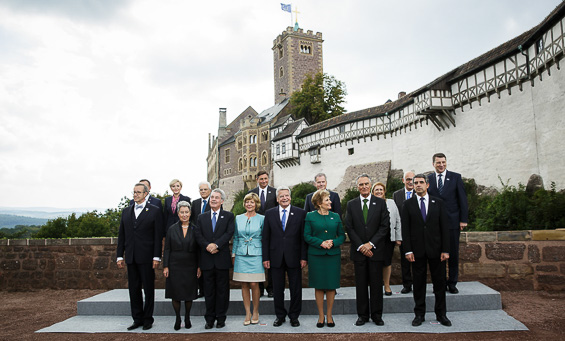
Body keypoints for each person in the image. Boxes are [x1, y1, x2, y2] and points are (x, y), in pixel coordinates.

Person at [401, 174, 451, 327]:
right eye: (415, 183)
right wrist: (408, 250)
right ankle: (419, 314)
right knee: (419, 284)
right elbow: (406, 230)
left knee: (440, 284)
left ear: (427, 185)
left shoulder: (439, 203)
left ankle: (441, 314)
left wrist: (446, 249)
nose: (418, 185)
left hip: (437, 250)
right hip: (417, 252)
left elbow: (445, 228)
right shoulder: (407, 204)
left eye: (421, 182)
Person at [344, 174, 390, 326]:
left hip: (375, 251)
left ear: (370, 185)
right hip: (359, 252)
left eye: (366, 184)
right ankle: (362, 316)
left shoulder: (380, 203)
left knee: (377, 285)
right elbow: (349, 227)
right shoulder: (351, 204)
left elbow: (384, 227)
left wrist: (371, 244)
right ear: (357, 187)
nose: (363, 187)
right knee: (361, 285)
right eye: (361, 185)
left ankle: (377, 315)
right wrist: (361, 246)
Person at [116, 183, 163, 331]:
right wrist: (119, 256)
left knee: (148, 289)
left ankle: (148, 319)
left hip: (147, 257)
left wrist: (157, 257)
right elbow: (121, 236)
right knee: (133, 289)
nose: (135, 194)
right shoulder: (126, 211)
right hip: (131, 257)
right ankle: (137, 319)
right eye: (134, 192)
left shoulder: (155, 211)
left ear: (145, 194)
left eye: (138, 192)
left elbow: (157, 236)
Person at [262, 186, 307, 327]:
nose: (284, 198)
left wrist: (303, 257)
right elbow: (266, 238)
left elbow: (303, 238)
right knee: (277, 289)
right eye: (281, 196)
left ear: (290, 197)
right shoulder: (269, 214)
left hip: (294, 257)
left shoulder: (300, 213)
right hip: (275, 257)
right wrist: (265, 258)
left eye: (287, 195)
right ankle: (280, 316)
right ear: (277, 199)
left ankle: (294, 316)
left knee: (295, 289)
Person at [427, 153, 468, 294]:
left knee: (453, 254)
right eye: (438, 163)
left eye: (443, 162)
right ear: (433, 164)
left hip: (452, 222)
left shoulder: (456, 177)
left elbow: (462, 199)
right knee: (437, 255)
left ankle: (452, 283)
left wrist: (463, 219)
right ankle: (440, 283)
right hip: (434, 224)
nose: (441, 165)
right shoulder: (429, 179)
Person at [304, 189, 345, 328]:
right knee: (319, 286)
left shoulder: (336, 216)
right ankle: (321, 316)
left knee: (331, 285)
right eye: (327, 200)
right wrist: (320, 243)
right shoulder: (310, 216)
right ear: (319, 203)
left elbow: (342, 236)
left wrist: (333, 242)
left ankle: (329, 315)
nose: (330, 201)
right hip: (316, 256)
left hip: (332, 256)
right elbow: (307, 235)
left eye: (329, 199)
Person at [194, 188, 235, 329]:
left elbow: (229, 233)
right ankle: (209, 318)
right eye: (212, 197)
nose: (213, 199)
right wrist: (208, 246)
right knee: (209, 291)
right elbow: (198, 235)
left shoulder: (229, 216)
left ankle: (221, 318)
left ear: (222, 201)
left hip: (221, 259)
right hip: (207, 259)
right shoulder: (201, 217)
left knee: (223, 291)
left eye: (217, 197)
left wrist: (216, 244)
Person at [163, 201, 200, 330]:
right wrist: (166, 266)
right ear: (178, 214)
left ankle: (187, 317)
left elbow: (199, 250)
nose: (184, 215)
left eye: (186, 212)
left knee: (189, 294)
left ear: (190, 213)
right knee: (176, 294)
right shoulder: (171, 229)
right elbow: (167, 249)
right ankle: (178, 318)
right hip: (175, 266)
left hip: (190, 265)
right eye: (182, 212)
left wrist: (199, 266)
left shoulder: (196, 229)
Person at [232, 193, 265, 325]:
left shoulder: (262, 218)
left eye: (251, 202)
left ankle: (256, 311)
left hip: (257, 254)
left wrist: (266, 257)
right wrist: (233, 254)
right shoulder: (238, 218)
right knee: (244, 284)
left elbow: (265, 238)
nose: (249, 204)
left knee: (254, 284)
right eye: (247, 202)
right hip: (241, 254)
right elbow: (235, 237)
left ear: (256, 204)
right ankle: (247, 312)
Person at [248, 171, 277, 297]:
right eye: (261, 179)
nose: (264, 181)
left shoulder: (275, 192)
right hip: (256, 230)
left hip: (272, 230)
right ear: (257, 179)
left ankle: (271, 288)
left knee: (270, 260)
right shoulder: (251, 193)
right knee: (258, 260)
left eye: (266, 178)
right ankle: (259, 288)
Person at [372, 182, 402, 296]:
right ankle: (376, 286)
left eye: (381, 189)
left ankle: (387, 285)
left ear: (384, 191)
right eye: (376, 190)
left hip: (389, 238)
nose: (379, 191)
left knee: (387, 262)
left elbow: (398, 219)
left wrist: (398, 237)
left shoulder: (391, 202)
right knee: (376, 263)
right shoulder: (371, 203)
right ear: (373, 192)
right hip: (375, 239)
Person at [392, 171, 415, 294]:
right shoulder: (397, 195)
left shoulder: (420, 193)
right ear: (403, 180)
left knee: (419, 261)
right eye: (408, 179)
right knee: (404, 261)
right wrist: (397, 235)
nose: (410, 182)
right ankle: (407, 284)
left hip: (418, 234)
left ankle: (418, 284)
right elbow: (395, 216)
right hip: (403, 233)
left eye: (412, 179)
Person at [190, 181, 212, 298]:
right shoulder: (195, 203)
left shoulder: (213, 202)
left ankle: (206, 290)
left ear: (210, 190)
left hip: (209, 239)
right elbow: (192, 220)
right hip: (197, 238)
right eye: (201, 190)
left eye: (205, 189)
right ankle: (200, 289)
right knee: (197, 264)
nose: (203, 191)